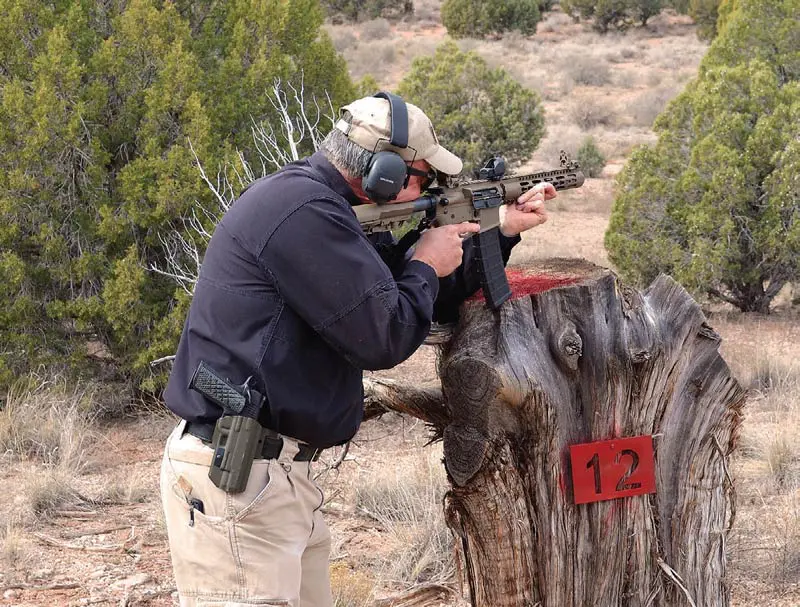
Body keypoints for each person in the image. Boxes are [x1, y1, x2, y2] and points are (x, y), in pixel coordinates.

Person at [159, 92, 557, 607]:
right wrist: (424, 264)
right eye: (420, 176)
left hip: (273, 481)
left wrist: (497, 230)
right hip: (237, 482)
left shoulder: (325, 211)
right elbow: (382, 333)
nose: (426, 189)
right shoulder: (302, 213)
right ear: (383, 173)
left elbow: (415, 299)